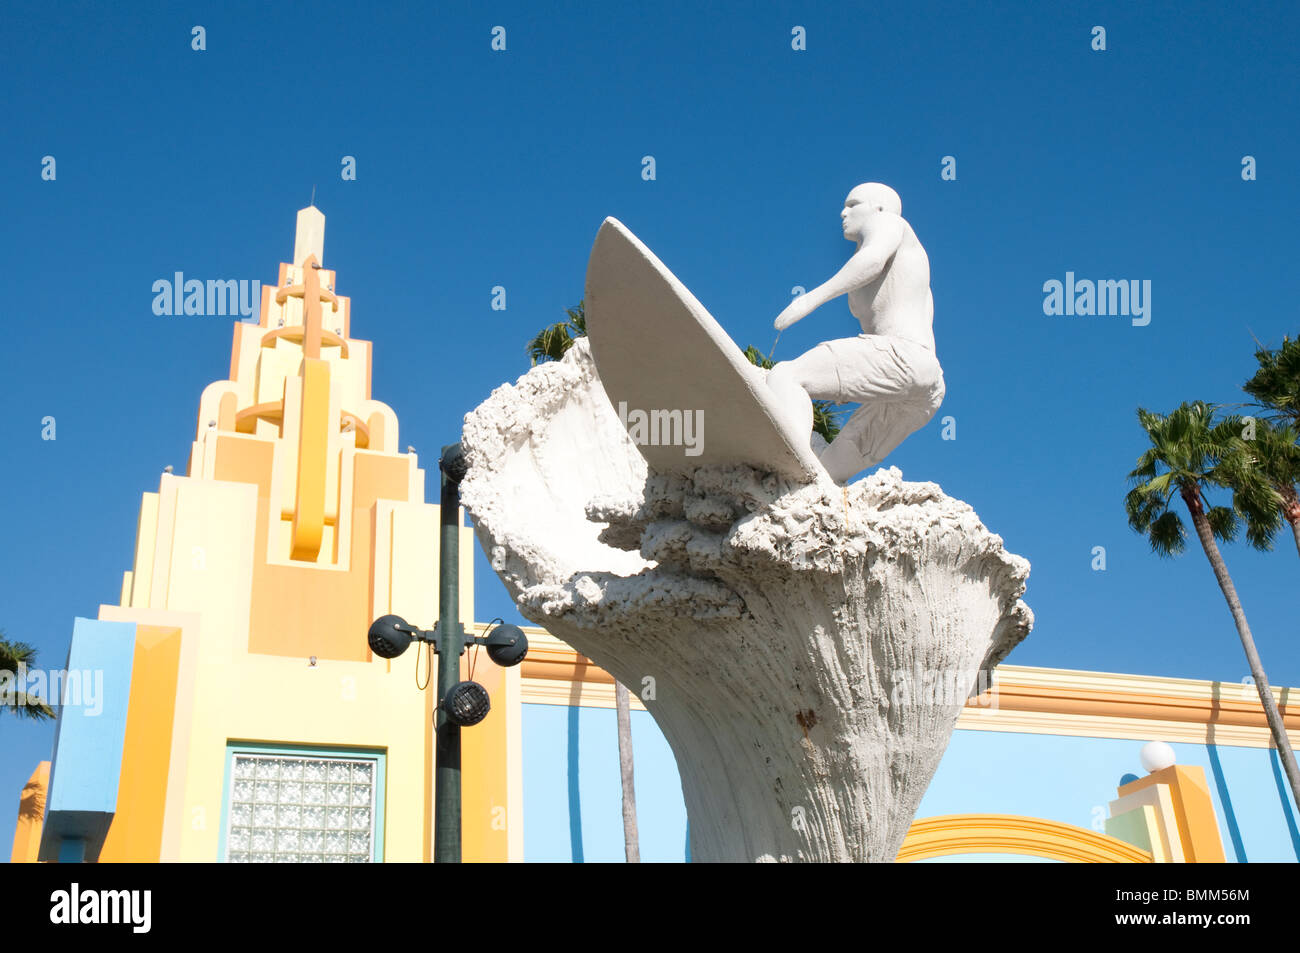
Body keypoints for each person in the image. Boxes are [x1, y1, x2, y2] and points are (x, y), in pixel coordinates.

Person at [766, 183, 945, 483]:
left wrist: (809, 300)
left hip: (902, 356)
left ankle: (788, 473)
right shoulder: (910, 264)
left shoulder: (890, 221)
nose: (843, 212)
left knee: (786, 376)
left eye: (853, 204)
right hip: (926, 388)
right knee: (828, 474)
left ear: (878, 208)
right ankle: (815, 495)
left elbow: (872, 260)